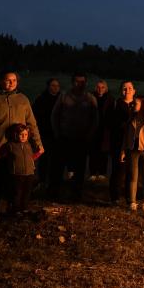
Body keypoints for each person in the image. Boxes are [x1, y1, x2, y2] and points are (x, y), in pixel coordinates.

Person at [0, 70, 42, 220]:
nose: (11, 83)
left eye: (14, 80)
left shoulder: (22, 99)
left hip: (17, 148)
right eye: (7, 80)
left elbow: (31, 123)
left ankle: (13, 208)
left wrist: (38, 143)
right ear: (0, 81)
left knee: (15, 181)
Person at [49, 72, 97, 200]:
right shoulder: (64, 96)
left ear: (85, 83)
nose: (79, 84)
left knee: (80, 169)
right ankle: (54, 192)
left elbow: (95, 119)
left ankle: (76, 193)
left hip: (81, 139)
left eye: (82, 82)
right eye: (77, 81)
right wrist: (57, 133)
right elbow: (55, 115)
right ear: (72, 82)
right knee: (58, 167)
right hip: (65, 137)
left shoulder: (90, 98)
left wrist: (90, 135)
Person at [0, 123, 42, 215]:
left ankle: (23, 208)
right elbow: (0, 156)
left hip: (29, 174)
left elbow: (31, 158)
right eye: (21, 134)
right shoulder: (10, 146)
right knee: (17, 193)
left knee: (26, 193)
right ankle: (15, 210)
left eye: (25, 135)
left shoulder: (28, 145)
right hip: (16, 174)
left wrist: (39, 153)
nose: (24, 136)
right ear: (15, 135)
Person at [107, 81, 135, 204]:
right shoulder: (115, 104)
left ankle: (130, 196)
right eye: (124, 88)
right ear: (121, 91)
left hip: (134, 143)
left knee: (132, 170)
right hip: (118, 142)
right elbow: (109, 123)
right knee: (117, 169)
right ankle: (115, 196)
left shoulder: (138, 104)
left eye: (130, 88)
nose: (127, 90)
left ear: (134, 91)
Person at [32, 78, 61, 188]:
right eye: (53, 85)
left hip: (57, 133)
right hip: (45, 132)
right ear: (48, 86)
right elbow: (35, 114)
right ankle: (42, 179)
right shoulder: (41, 99)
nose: (55, 88)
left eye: (57, 86)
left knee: (56, 158)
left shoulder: (61, 98)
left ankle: (54, 180)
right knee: (44, 158)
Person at [90, 80, 114, 181]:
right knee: (93, 152)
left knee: (103, 152)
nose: (100, 89)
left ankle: (102, 172)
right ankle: (92, 172)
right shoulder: (91, 98)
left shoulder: (110, 99)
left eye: (102, 87)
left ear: (106, 88)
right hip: (94, 128)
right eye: (98, 87)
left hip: (105, 129)